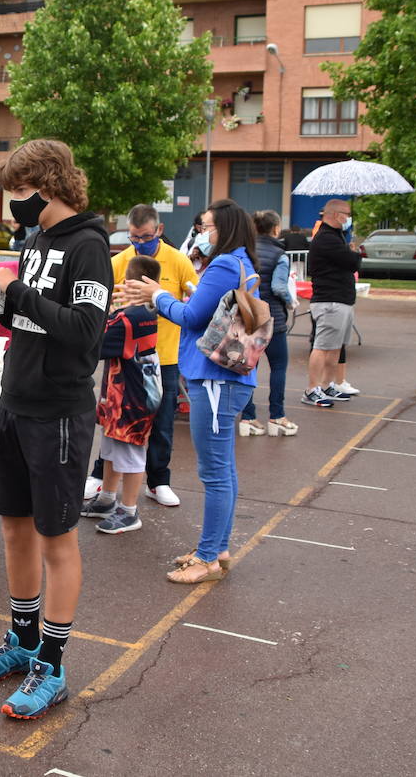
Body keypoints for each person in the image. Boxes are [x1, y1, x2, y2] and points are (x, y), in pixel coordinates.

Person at [0, 139, 111, 720]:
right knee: (14, 530)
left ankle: (52, 664)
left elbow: (84, 332)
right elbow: (32, 321)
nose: (12, 207)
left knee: (57, 541)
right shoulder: (36, 243)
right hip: (16, 403)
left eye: (18, 194)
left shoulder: (89, 246)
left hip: (58, 413)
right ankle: (22, 642)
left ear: (46, 188)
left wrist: (15, 288)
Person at [123, 199, 259, 585]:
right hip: (228, 378)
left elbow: (191, 316)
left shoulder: (222, 264)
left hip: (215, 379)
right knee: (224, 469)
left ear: (224, 229)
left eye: (206, 226)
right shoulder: (243, 263)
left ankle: (207, 558)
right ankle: (215, 548)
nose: (201, 231)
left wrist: (156, 295)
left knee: (215, 472)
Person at [98, 204, 198, 509]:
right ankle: (100, 481)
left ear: (159, 231)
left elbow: (195, 300)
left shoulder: (178, 261)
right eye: (134, 237)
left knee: (163, 422)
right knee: (112, 419)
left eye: (145, 237)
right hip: (122, 358)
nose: (139, 243)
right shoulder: (119, 261)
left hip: (163, 356)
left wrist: (164, 303)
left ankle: (159, 481)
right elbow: (103, 301)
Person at [85, 255, 161, 534]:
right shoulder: (148, 311)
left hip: (129, 396)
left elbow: (95, 344)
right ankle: (107, 498)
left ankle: (128, 510)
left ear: (129, 283)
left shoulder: (127, 318)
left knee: (129, 454)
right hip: (131, 391)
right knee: (112, 449)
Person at [241, 210, 297, 436]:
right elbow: (279, 287)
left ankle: (247, 416)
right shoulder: (280, 255)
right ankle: (277, 416)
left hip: (250, 316)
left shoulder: (246, 251)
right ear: (276, 229)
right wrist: (291, 302)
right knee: (278, 366)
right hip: (274, 319)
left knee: (248, 367)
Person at [303, 199, 361, 408]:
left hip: (341, 300)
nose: (348, 218)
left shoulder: (336, 237)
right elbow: (351, 261)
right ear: (336, 215)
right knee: (322, 346)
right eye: (346, 214)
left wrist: (350, 251)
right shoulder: (327, 238)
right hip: (330, 301)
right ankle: (311, 388)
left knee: (335, 347)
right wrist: (354, 253)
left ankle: (327, 384)